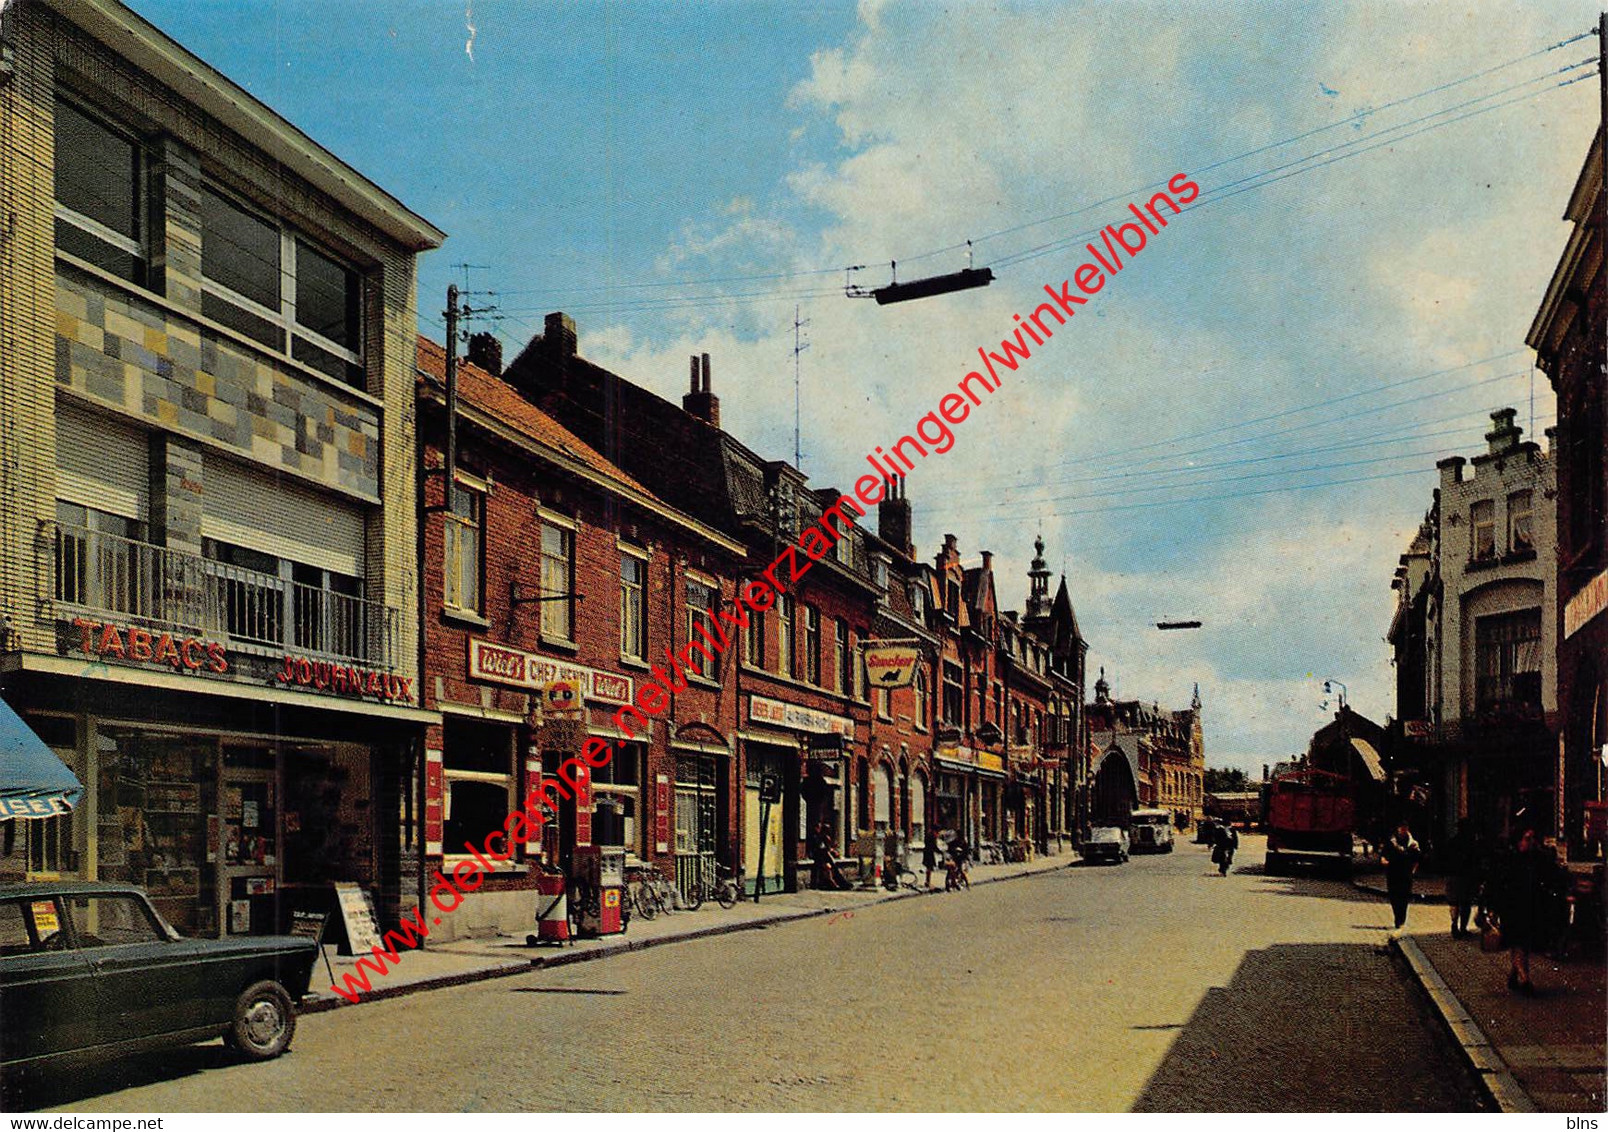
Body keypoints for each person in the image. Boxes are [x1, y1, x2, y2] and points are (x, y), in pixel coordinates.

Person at [1493, 828, 1560, 995]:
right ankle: (1524, 979)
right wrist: (1494, 908)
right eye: (1526, 838)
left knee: (1523, 944)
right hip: (1512, 908)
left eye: (1531, 838)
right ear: (1518, 841)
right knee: (1519, 943)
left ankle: (1514, 974)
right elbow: (1498, 885)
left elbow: (1551, 876)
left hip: (1531, 907)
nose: (1529, 842)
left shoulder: (1537, 858)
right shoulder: (1509, 859)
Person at [1380, 820, 1421, 931]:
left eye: (1405, 828)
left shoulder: (1412, 844)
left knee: (1404, 897)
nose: (1403, 830)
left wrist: (1413, 871)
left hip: (1406, 874)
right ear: (1398, 829)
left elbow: (1417, 859)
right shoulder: (1391, 842)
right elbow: (1383, 855)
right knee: (1394, 897)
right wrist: (1384, 861)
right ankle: (1397, 917)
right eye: (1401, 828)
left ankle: (1401, 920)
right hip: (1392, 873)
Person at [1442, 822, 1481, 939]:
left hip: (1453, 875)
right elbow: (1475, 861)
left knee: (1454, 903)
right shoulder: (1472, 844)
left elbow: (1445, 859)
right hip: (1466, 877)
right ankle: (1463, 928)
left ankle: (1454, 925)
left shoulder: (1452, 842)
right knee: (1466, 903)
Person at [811, 821, 850, 891]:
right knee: (829, 868)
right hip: (820, 858)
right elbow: (819, 849)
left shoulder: (822, 838)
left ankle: (843, 883)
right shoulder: (815, 837)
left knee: (834, 869)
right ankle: (833, 884)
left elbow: (826, 849)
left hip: (825, 857)